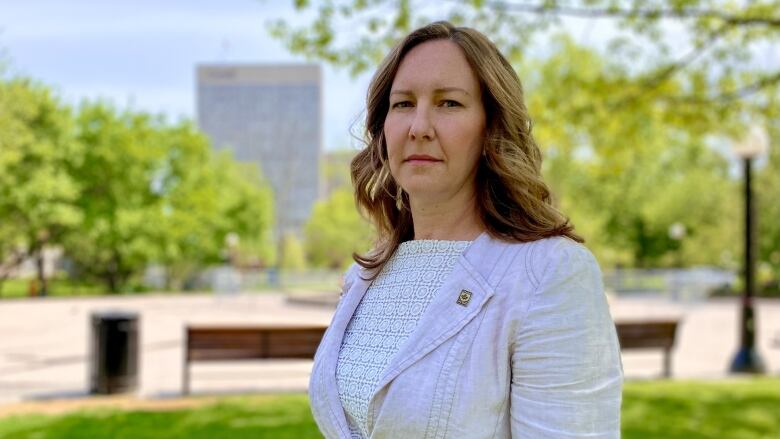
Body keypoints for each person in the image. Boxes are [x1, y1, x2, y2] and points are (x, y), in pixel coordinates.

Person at [309, 21, 623, 439]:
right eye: (403, 104)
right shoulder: (367, 276)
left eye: (449, 104)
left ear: (490, 127)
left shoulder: (550, 274)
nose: (419, 126)